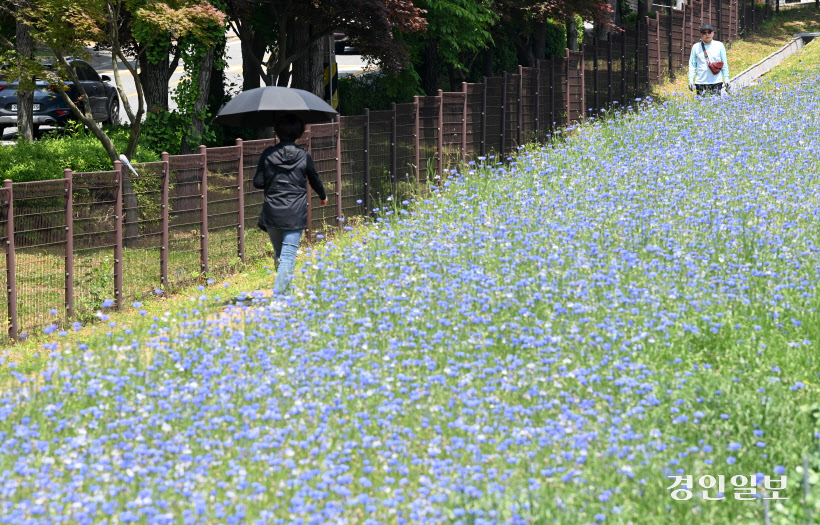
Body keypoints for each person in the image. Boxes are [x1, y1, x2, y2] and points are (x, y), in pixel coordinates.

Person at [253, 113, 327, 295]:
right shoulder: (304, 156)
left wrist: (273, 178)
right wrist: (323, 196)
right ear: (299, 133)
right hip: (295, 212)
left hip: (273, 211)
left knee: (280, 255)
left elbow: (258, 182)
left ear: (276, 132)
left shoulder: (268, 154)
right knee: (287, 256)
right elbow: (315, 180)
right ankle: (280, 298)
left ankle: (285, 295)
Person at [688, 23, 730, 96]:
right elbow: (692, 64)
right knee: (701, 105)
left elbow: (724, 63)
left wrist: (726, 78)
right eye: (704, 33)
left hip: (716, 81)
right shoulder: (696, 47)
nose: (707, 35)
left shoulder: (719, 45)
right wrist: (691, 79)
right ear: (701, 34)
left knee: (715, 105)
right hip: (701, 82)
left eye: (709, 32)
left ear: (713, 34)